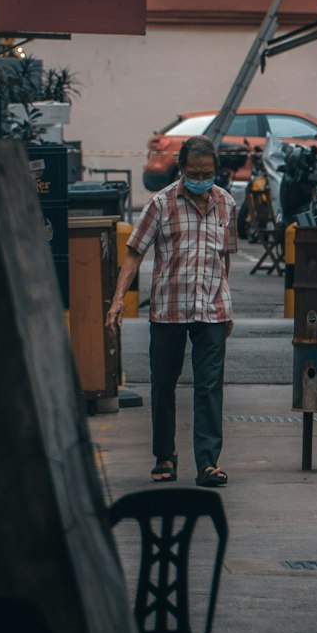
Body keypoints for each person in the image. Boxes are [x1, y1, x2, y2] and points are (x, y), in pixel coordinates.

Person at [106, 135, 237, 487]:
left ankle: (208, 463)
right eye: (194, 172)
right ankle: (165, 456)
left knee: (210, 387)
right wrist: (118, 298)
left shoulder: (226, 203)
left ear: (216, 171)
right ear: (181, 169)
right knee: (164, 384)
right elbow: (135, 252)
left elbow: (225, 257)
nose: (201, 178)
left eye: (207, 172)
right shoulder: (160, 204)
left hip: (212, 308)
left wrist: (228, 304)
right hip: (168, 308)